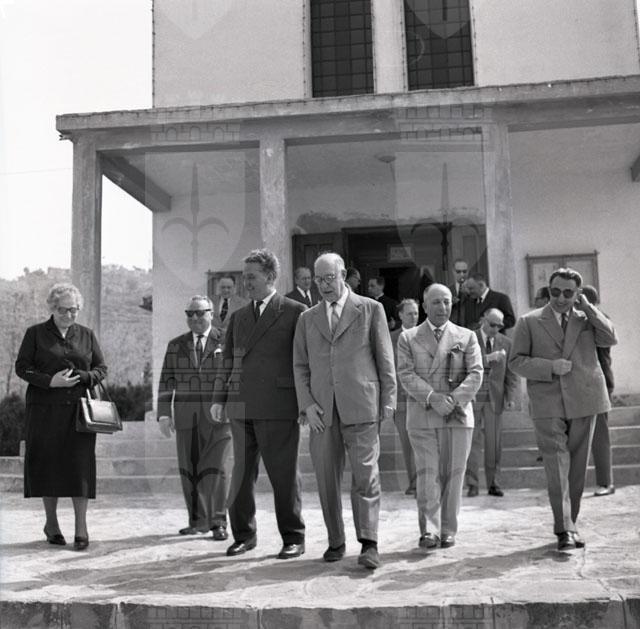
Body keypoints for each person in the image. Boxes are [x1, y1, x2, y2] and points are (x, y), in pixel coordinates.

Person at [293, 252, 396, 570]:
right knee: (326, 479)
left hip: (362, 406)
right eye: (318, 279)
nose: (324, 285)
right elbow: (299, 366)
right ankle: (336, 541)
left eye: (329, 278)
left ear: (342, 275)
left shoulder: (370, 309)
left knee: (366, 476)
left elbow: (384, 358)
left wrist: (389, 398)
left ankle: (369, 543)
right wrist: (307, 404)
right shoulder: (307, 318)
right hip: (322, 413)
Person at [509, 268, 617, 551]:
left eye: (568, 293)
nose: (560, 298)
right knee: (557, 466)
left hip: (585, 400)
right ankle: (564, 529)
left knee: (577, 469)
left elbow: (609, 338)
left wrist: (588, 308)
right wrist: (549, 367)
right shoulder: (529, 321)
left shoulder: (587, 319)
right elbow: (516, 362)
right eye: (555, 291)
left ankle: (571, 523)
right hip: (548, 402)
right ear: (549, 289)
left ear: (577, 293)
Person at [211, 249, 306, 560]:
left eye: (251, 277)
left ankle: (293, 537)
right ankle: (244, 535)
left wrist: (306, 402)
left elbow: (305, 361)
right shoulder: (239, 317)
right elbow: (227, 361)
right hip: (241, 406)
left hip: (279, 406)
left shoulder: (295, 311)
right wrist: (219, 399)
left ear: (270, 276)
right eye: (244, 277)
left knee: (284, 476)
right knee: (241, 476)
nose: (246, 283)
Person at [15, 283, 107, 551]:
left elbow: (102, 368)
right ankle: (52, 524)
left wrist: (85, 376)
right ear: (53, 308)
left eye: (74, 310)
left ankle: (81, 528)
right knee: (49, 467)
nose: (69, 314)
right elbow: (22, 367)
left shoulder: (87, 334)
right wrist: (50, 381)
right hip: (44, 411)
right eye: (64, 310)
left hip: (79, 413)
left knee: (80, 469)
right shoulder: (35, 334)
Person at [397, 284, 482, 551]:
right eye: (435, 302)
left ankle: (447, 529)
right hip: (423, 414)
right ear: (424, 306)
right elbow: (405, 374)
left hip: (457, 414)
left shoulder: (467, 336)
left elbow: (476, 373)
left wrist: (453, 400)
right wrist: (434, 398)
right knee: (427, 473)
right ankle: (430, 531)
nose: (442, 307)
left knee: (454, 474)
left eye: (446, 302)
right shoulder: (408, 338)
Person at [157, 295, 232, 539]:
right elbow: (166, 381)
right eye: (190, 314)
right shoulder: (176, 345)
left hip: (219, 416)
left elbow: (236, 376)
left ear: (211, 313)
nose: (195, 318)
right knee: (189, 469)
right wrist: (164, 415)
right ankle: (198, 521)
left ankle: (218, 522)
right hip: (186, 416)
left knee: (217, 470)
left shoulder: (226, 340)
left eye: (200, 313)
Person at [465, 308, 518, 498]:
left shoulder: (507, 343)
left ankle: (494, 483)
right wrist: (487, 359)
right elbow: (462, 365)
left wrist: (510, 397)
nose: (496, 329)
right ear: (483, 320)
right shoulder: (469, 338)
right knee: (472, 442)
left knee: (494, 443)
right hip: (473, 398)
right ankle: (472, 483)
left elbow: (511, 374)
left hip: (495, 398)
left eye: (499, 326)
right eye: (493, 324)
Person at [581, 285, 615, 497]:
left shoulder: (600, 320)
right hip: (579, 383)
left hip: (598, 383)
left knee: (599, 435)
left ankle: (606, 482)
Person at [390, 299, 420, 496]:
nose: (414, 317)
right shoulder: (390, 338)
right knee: (407, 443)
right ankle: (414, 482)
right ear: (400, 315)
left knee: (425, 442)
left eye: (416, 313)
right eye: (409, 313)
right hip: (401, 400)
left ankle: (427, 482)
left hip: (424, 399)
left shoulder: (427, 335)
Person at [210, 275, 248, 347]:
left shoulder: (243, 304)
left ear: (235, 288)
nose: (226, 290)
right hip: (211, 343)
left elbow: (245, 326)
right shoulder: (209, 301)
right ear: (218, 287)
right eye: (223, 287)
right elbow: (203, 319)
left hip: (233, 344)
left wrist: (229, 331)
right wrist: (210, 329)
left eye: (229, 287)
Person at [449, 259, 470, 327]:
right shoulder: (448, 290)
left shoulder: (474, 289)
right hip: (453, 327)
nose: (462, 274)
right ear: (453, 272)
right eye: (458, 272)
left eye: (464, 271)